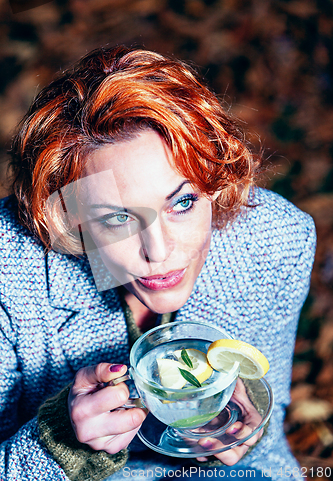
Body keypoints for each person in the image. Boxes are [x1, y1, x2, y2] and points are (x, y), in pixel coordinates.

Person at [0, 45, 316, 481]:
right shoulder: (8, 268)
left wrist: (245, 425)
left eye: (183, 202)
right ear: (68, 217)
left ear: (216, 181)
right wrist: (60, 441)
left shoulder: (274, 240)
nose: (159, 251)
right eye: (116, 218)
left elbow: (269, 400)